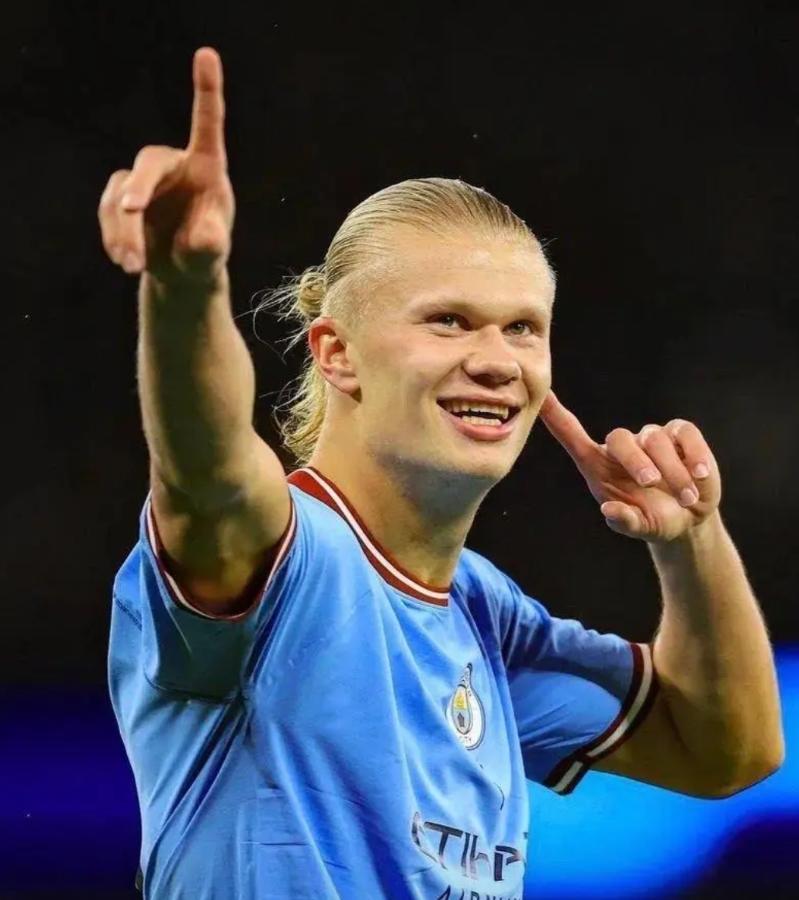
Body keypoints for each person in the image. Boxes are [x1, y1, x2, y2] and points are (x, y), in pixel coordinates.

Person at [99, 48, 784, 900]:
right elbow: (205, 470)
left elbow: (726, 752)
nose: (496, 361)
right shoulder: (283, 560)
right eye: (449, 321)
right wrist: (185, 286)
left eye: (522, 328)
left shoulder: (487, 618)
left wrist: (689, 542)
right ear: (336, 354)